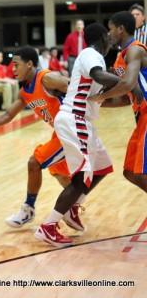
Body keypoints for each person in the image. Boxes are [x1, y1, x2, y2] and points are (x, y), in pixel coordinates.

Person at [0, 46, 79, 228]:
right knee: (58, 171)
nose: (13, 69)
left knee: (35, 162)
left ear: (30, 64)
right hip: (60, 132)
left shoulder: (46, 78)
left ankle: (28, 209)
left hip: (72, 129)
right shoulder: (25, 90)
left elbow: (76, 85)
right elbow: (8, 115)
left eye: (17, 65)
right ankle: (74, 205)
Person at [34, 23, 120, 248]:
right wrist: (128, 84)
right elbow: (99, 76)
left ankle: (72, 206)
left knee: (102, 168)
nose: (110, 39)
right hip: (75, 118)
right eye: (108, 36)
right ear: (103, 37)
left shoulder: (95, 57)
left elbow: (102, 91)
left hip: (84, 121)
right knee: (82, 177)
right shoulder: (90, 54)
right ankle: (48, 227)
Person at [88, 11, 147, 194]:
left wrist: (101, 96)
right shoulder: (120, 57)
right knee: (130, 173)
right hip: (140, 117)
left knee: (142, 174)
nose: (108, 34)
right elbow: (124, 98)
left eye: (110, 29)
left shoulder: (135, 49)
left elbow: (127, 84)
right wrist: (94, 102)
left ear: (121, 29)